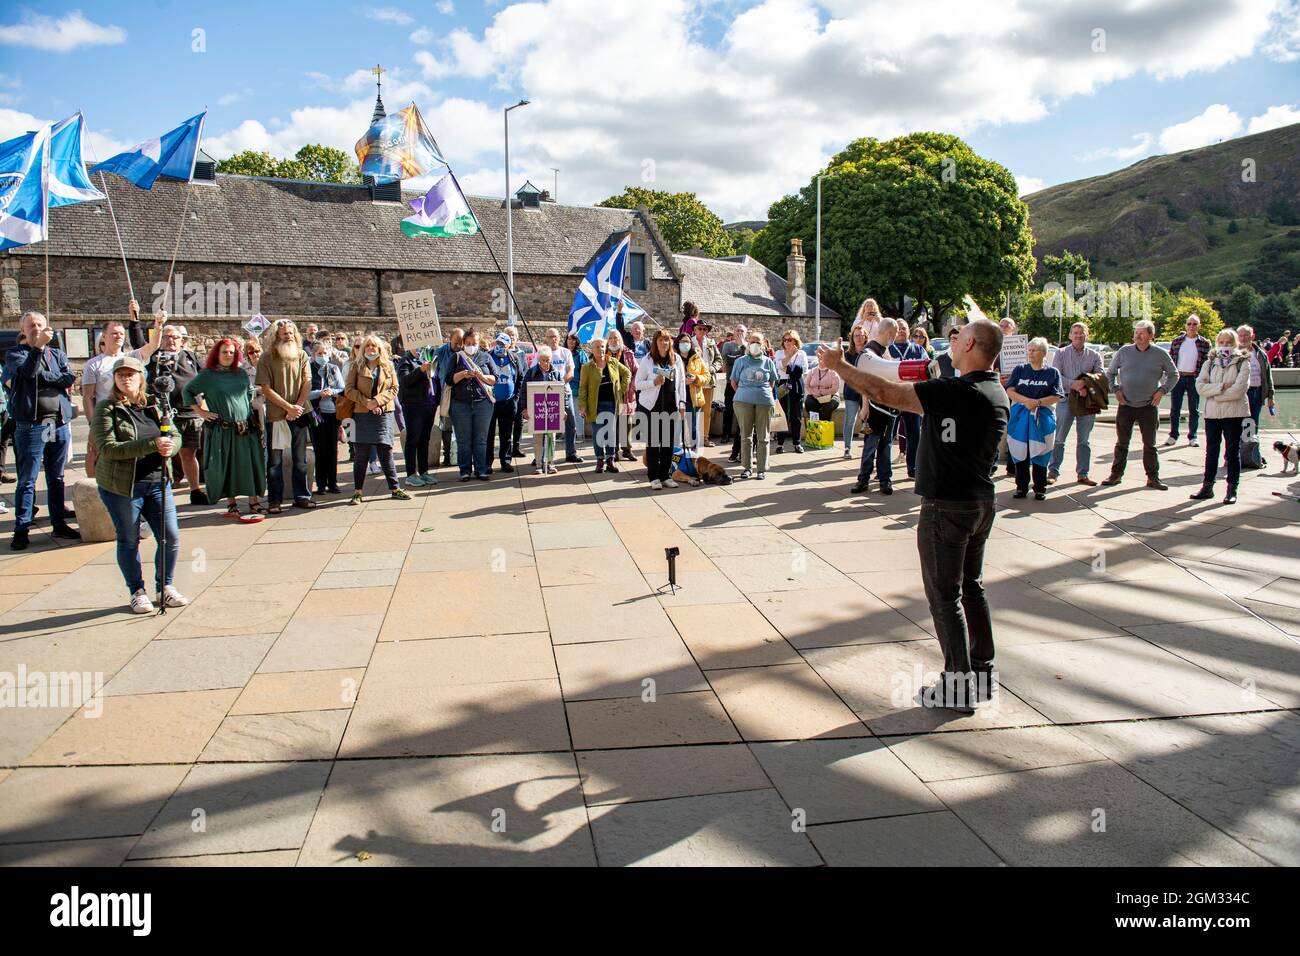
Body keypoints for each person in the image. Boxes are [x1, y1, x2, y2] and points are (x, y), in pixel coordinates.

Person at [819, 319, 1009, 714]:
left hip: (947, 504)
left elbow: (886, 392)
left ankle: (957, 684)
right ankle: (982, 671)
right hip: (980, 501)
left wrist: (840, 366)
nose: (952, 342)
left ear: (971, 342)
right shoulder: (995, 392)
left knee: (944, 595)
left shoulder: (956, 391)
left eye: (959, 337)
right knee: (971, 586)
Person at [90, 356, 188, 612]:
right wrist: (151, 444)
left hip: (157, 481)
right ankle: (137, 590)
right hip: (124, 486)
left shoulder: (155, 404)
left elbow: (175, 435)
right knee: (129, 539)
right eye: (120, 374)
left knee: (170, 537)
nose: (126, 378)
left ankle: (164, 586)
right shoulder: (107, 408)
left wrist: (170, 446)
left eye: (131, 374)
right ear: (114, 379)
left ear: (141, 377)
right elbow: (108, 448)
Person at [6, 311, 79, 550]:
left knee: (56, 477)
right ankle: (22, 528)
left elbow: (68, 378)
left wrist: (46, 375)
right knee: (27, 480)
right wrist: (37, 350)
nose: (36, 328)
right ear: (23, 330)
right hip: (31, 425)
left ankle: (58, 523)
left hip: (57, 423)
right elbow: (27, 372)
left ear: (46, 326)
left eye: (39, 324)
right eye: (31, 325)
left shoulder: (57, 353)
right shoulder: (16, 353)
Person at [183, 338, 268, 519]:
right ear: (217, 354)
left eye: (231, 352)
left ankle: (254, 501)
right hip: (223, 429)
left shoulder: (241, 374)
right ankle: (231, 504)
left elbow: (247, 397)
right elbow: (187, 391)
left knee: (249, 464)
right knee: (227, 466)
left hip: (245, 428)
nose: (228, 355)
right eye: (224, 352)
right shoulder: (208, 375)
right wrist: (202, 412)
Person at [81, 302, 164, 478]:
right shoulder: (94, 364)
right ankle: (94, 489)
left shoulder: (131, 357)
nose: (118, 336)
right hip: (108, 415)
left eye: (121, 333)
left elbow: (153, 345)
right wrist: (92, 423)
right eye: (114, 333)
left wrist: (158, 325)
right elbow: (88, 397)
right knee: (96, 453)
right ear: (104, 336)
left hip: (131, 414)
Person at [1103, 319, 1178, 490]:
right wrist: (1115, 389)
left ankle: (1153, 478)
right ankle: (1115, 475)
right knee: (1122, 443)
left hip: (1148, 406)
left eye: (1141, 333)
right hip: (1126, 405)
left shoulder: (1160, 353)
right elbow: (1110, 373)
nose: (1137, 336)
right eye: (1136, 332)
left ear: (1151, 335)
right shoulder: (1124, 351)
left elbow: (1174, 374)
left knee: (1150, 445)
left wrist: (1162, 391)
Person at [255, 319, 316, 512]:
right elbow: (265, 388)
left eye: (290, 333)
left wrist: (296, 406)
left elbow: (307, 382)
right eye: (284, 333)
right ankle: (275, 500)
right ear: (276, 336)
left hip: (300, 413)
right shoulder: (266, 358)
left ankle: (302, 496)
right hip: (276, 416)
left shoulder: (301, 355)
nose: (288, 336)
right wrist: (287, 407)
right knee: (274, 462)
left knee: (300, 459)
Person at [145, 323, 206, 504]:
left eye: (175, 337)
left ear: (182, 341)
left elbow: (207, 376)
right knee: (163, 454)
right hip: (164, 414)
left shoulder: (190, 357)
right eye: (167, 337)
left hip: (190, 413)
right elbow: (138, 342)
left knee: (189, 454)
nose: (171, 340)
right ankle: (163, 493)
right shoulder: (155, 359)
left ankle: (195, 490)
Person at [345, 335, 410, 503]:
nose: (371, 349)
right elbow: (349, 390)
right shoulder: (356, 366)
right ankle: (358, 492)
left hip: (383, 413)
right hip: (362, 413)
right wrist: (367, 403)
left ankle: (395, 488)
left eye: (374, 346)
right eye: (367, 346)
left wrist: (378, 402)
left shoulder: (388, 366)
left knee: (385, 451)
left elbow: (394, 388)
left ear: (380, 349)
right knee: (361, 455)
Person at [1191, 330, 1251, 505]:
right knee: (1211, 451)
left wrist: (1215, 394)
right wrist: (1220, 387)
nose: (1224, 345)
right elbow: (1200, 386)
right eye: (1221, 342)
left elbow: (1240, 390)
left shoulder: (1242, 362)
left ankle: (1232, 489)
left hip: (1234, 413)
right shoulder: (1210, 362)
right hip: (1213, 415)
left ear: (1234, 343)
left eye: (1228, 342)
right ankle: (1207, 487)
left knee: (1232, 452)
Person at [1005, 338, 1065, 500]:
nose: (1030, 353)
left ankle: (1040, 488)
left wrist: (1038, 403)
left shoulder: (1052, 373)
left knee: (1041, 452)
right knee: (1020, 450)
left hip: (1042, 418)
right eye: (1029, 350)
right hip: (1020, 416)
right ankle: (1021, 487)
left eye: (1034, 350)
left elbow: (1057, 396)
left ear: (1044, 353)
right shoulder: (1020, 369)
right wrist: (1027, 402)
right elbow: (1010, 390)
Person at [1049, 321, 1103, 487]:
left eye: (1082, 332)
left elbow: (1100, 375)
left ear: (1087, 335)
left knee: (1084, 440)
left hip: (1086, 401)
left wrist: (1085, 384)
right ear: (1070, 335)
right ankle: (1053, 471)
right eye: (1076, 332)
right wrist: (1074, 384)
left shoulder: (1095, 355)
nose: (1079, 335)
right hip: (1066, 399)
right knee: (1059, 438)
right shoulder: (1061, 353)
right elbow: (1056, 375)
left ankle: (1083, 473)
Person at [850, 318, 900, 495]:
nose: (894, 337)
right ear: (888, 333)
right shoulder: (869, 352)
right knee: (871, 444)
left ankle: (884, 479)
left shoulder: (885, 350)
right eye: (893, 334)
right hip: (875, 406)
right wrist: (865, 406)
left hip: (888, 406)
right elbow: (864, 382)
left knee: (885, 445)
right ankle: (864, 479)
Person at [636, 329, 688, 489]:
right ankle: (653, 477)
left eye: (666, 340)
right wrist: (654, 382)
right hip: (651, 407)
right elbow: (637, 383)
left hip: (671, 406)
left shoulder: (677, 359)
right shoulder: (648, 360)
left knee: (667, 444)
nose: (664, 343)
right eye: (660, 340)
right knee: (653, 444)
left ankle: (665, 475)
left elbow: (681, 383)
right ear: (655, 342)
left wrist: (682, 404)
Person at [444, 327, 497, 481]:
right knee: (463, 440)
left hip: (483, 404)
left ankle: (481, 469)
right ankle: (465, 470)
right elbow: (449, 380)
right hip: (460, 404)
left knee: (481, 439)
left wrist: (481, 376)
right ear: (463, 343)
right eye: (468, 343)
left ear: (479, 343)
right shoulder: (456, 358)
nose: (471, 345)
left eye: (474, 343)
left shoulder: (485, 357)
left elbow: (495, 378)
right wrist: (463, 374)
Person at [729, 330, 778, 481]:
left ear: (763, 344)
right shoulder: (741, 361)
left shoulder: (768, 361)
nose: (755, 344)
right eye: (752, 341)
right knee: (746, 436)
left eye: (758, 342)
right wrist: (744, 393)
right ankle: (747, 467)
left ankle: (761, 469)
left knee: (763, 436)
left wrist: (762, 393)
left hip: (764, 402)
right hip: (743, 402)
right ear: (748, 343)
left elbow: (772, 381)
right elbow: (733, 381)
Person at [579, 337, 630, 474]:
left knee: (611, 433)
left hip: (612, 403)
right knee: (598, 434)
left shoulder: (613, 362)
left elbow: (627, 373)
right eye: (597, 347)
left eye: (602, 346)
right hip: (595, 405)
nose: (600, 349)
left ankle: (610, 460)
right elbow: (583, 388)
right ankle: (600, 460)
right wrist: (582, 406)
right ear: (591, 349)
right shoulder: (587, 367)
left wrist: (621, 389)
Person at [394, 340, 438, 488]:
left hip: (429, 404)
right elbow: (405, 381)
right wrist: (420, 370)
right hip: (413, 406)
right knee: (413, 440)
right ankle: (411, 474)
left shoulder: (430, 358)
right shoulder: (405, 361)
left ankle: (424, 471)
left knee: (425, 439)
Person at [889, 320, 928, 478]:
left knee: (914, 436)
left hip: (912, 399)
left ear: (908, 331)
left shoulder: (918, 349)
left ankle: (913, 468)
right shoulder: (887, 349)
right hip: (892, 398)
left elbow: (927, 370)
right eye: (898, 329)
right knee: (887, 436)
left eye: (904, 328)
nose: (901, 331)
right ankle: (884, 471)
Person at [1165, 314, 1210, 448]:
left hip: (1194, 378)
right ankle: (1173, 435)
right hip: (1179, 377)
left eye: (1194, 324)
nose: (1191, 326)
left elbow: (1208, 363)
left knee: (1194, 409)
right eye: (1189, 324)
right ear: (1185, 325)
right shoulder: (1177, 341)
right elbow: (1171, 360)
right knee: (1175, 408)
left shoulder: (1204, 343)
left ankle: (1193, 436)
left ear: (1199, 326)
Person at [308, 340, 345, 494]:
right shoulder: (308, 370)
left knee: (332, 448)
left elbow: (342, 388)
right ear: (313, 354)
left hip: (332, 413)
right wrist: (319, 393)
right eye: (319, 354)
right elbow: (304, 393)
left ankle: (333, 482)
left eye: (325, 353)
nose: (322, 356)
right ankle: (321, 484)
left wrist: (332, 392)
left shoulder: (334, 369)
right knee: (319, 449)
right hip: (316, 414)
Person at [1237, 324, 1276, 468]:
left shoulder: (1260, 353)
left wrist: (1270, 396)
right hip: (1241, 395)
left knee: (1253, 426)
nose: (1243, 338)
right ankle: (1235, 457)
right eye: (1240, 335)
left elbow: (1267, 375)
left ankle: (1252, 457)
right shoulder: (1234, 353)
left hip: (1257, 392)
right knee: (1238, 426)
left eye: (1246, 335)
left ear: (1252, 336)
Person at [483, 333, 522, 474]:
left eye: (503, 344)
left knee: (506, 435)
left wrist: (516, 397)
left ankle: (506, 461)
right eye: (498, 343)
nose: (500, 346)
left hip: (508, 402)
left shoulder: (514, 358)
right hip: (491, 402)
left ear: (508, 345)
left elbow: (520, 377)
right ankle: (487, 463)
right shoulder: (487, 356)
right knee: (489, 434)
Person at [543, 326, 583, 463]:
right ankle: (543, 455)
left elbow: (570, 372)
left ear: (559, 338)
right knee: (547, 426)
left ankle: (571, 453)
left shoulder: (565, 352)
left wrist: (559, 383)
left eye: (555, 337)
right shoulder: (542, 353)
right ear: (546, 339)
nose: (553, 339)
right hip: (547, 394)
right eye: (550, 337)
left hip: (565, 392)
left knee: (571, 423)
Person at [523, 345, 565, 474]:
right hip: (537, 411)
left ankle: (551, 463)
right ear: (539, 360)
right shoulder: (531, 372)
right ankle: (539, 465)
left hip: (552, 411)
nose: (546, 363)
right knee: (537, 438)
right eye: (543, 360)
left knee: (551, 437)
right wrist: (524, 409)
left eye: (548, 360)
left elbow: (562, 392)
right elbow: (524, 391)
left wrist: (563, 409)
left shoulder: (556, 373)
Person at [432, 327, 463, 468]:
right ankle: (447, 455)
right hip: (446, 392)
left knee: (462, 426)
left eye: (460, 343)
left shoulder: (464, 352)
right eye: (456, 343)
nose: (458, 346)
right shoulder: (440, 352)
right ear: (449, 339)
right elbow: (434, 374)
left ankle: (460, 454)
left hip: (462, 394)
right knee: (446, 425)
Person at [774, 330, 808, 454]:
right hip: (783, 384)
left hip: (797, 385)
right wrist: (789, 357)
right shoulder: (779, 353)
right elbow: (778, 366)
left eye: (790, 340)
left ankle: (797, 443)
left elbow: (802, 370)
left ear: (795, 341)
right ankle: (780, 443)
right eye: (785, 340)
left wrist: (787, 367)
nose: (787, 342)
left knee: (796, 416)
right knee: (782, 415)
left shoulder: (802, 354)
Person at [608, 327, 639, 462]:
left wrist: (631, 387)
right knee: (612, 422)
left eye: (616, 338)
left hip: (626, 393)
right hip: (610, 394)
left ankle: (627, 450)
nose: (614, 340)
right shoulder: (604, 353)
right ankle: (613, 451)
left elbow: (637, 372)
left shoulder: (628, 354)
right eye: (611, 338)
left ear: (620, 340)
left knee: (627, 423)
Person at [690, 320, 721, 446]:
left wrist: (712, 369)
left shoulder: (711, 343)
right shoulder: (689, 342)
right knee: (692, 411)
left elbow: (719, 360)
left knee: (706, 411)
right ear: (695, 330)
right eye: (699, 329)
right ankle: (691, 438)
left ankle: (704, 438)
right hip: (694, 381)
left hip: (708, 380)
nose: (702, 331)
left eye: (704, 329)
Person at [721, 323, 748, 462]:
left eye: (742, 331)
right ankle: (725, 434)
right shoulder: (727, 345)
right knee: (728, 409)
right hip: (730, 382)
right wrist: (739, 355)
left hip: (743, 385)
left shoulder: (747, 346)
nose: (739, 332)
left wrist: (743, 346)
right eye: (737, 330)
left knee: (742, 413)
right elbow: (728, 360)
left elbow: (746, 359)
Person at [803, 348, 841, 430]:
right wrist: (814, 393)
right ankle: (815, 429)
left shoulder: (833, 372)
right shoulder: (813, 371)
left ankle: (823, 430)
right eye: (820, 358)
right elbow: (806, 384)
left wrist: (822, 392)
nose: (821, 361)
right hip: (815, 395)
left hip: (831, 396)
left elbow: (835, 388)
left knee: (827, 408)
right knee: (809, 403)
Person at [565, 331, 588, 447]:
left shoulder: (581, 354)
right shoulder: (563, 352)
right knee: (566, 413)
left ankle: (579, 435)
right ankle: (566, 434)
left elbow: (585, 370)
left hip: (577, 387)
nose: (571, 341)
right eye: (569, 339)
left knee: (578, 414)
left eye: (573, 339)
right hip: (565, 387)